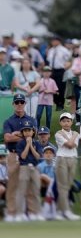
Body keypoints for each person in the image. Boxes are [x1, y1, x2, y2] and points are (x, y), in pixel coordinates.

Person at [3, 93, 39, 222]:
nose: (19, 104)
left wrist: (16, 134)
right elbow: (7, 138)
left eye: (21, 102)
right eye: (17, 102)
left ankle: (31, 212)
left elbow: (33, 137)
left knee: (30, 184)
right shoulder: (8, 121)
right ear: (13, 104)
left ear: (25, 103)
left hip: (29, 154)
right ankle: (12, 213)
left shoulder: (32, 120)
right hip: (13, 154)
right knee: (12, 184)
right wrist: (24, 135)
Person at [54, 112, 81, 220]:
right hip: (62, 159)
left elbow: (74, 145)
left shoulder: (75, 134)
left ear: (71, 122)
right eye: (64, 121)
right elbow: (70, 145)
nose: (66, 123)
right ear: (60, 122)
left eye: (68, 121)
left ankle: (59, 211)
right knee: (63, 186)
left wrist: (72, 136)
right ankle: (66, 211)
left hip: (73, 159)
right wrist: (74, 136)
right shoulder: (58, 134)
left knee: (68, 186)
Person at [16, 122, 44, 221]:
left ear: (33, 132)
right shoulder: (20, 143)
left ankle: (36, 213)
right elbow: (23, 156)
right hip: (24, 167)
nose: (27, 132)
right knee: (22, 191)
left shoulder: (37, 143)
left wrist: (31, 145)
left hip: (34, 167)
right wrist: (28, 144)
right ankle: (20, 213)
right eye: (25, 131)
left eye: (29, 130)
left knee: (35, 191)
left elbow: (38, 156)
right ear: (23, 133)